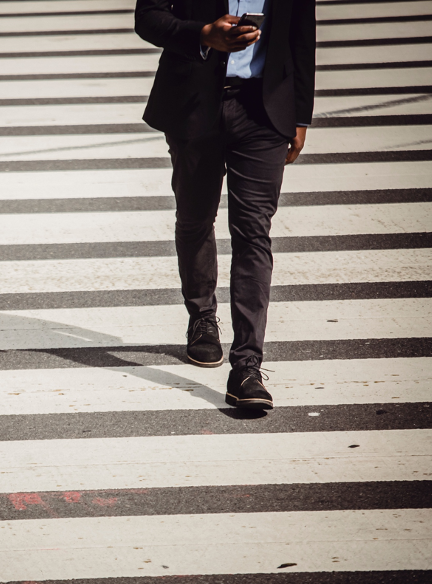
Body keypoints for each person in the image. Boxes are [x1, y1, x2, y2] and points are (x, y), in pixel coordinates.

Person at [134, 0, 316, 410]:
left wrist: (300, 113)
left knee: (253, 233)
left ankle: (247, 366)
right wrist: (202, 35)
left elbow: (302, 34)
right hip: (192, 103)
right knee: (196, 216)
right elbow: (147, 17)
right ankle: (201, 314)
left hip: (264, 110)